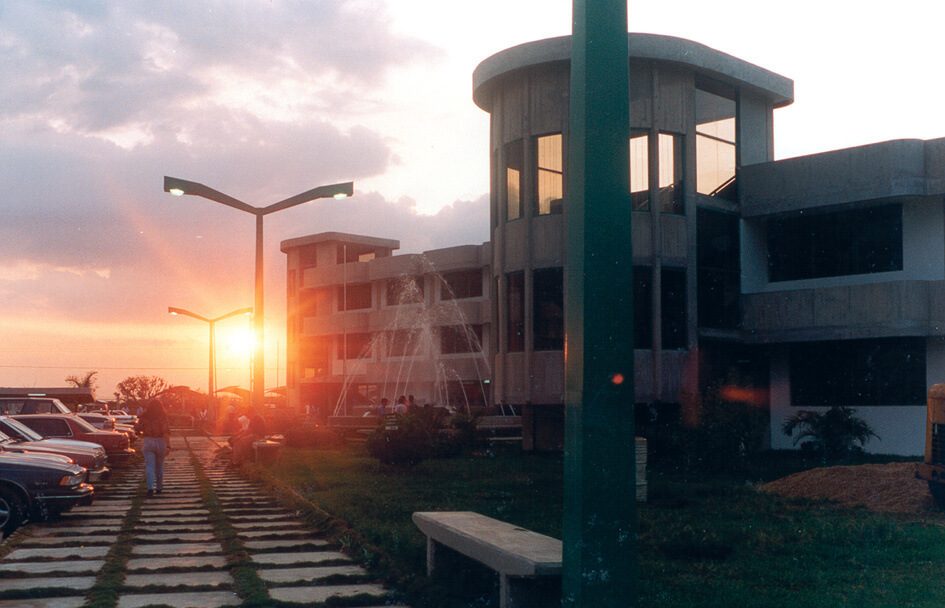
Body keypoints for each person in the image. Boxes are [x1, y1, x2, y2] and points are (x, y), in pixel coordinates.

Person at [135, 399, 170, 497]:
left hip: (148, 441)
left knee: (149, 466)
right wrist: (168, 445)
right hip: (161, 441)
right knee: (159, 467)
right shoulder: (163, 416)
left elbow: (137, 428)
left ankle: (150, 488)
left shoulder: (144, 416)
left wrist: (141, 432)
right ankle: (159, 488)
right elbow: (166, 432)